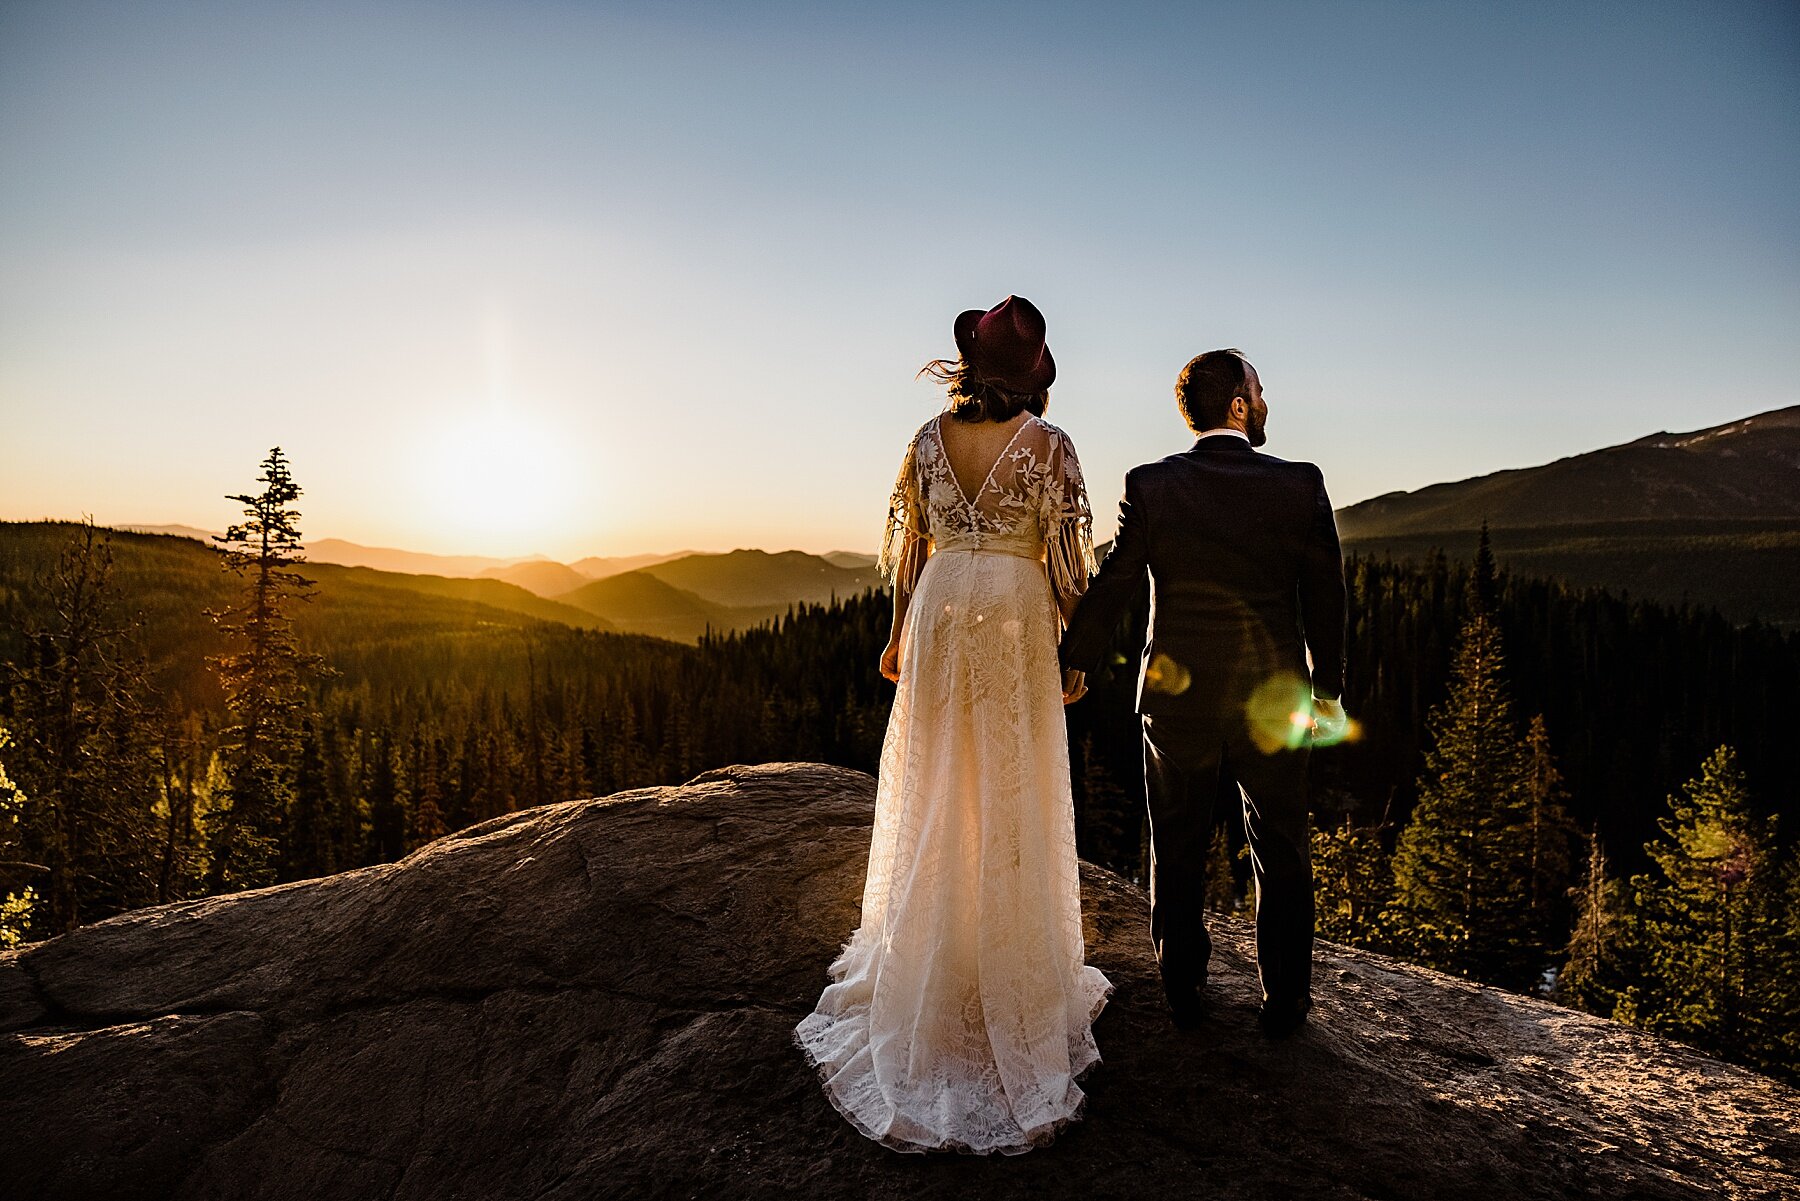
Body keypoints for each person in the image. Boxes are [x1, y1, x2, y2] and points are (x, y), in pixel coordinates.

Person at [793, 295, 1114, 1155]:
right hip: (1013, 612)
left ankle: (934, 957)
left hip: (941, 611)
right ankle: (1006, 965)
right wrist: (1075, 648)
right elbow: (1071, 558)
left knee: (940, 774)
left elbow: (909, 549)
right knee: (1012, 778)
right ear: (1033, 375)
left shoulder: (927, 439)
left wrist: (899, 630)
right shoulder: (1051, 448)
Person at [1059, 348, 1346, 1038]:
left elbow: (1118, 581)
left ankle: (1183, 990)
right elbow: (1327, 598)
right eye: (1260, 389)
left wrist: (1075, 660)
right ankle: (1284, 1003)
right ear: (1240, 407)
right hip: (1271, 698)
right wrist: (1328, 691)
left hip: (1175, 698)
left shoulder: (1153, 484)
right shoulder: (1300, 484)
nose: (1266, 400)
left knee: (1177, 844)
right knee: (1280, 849)